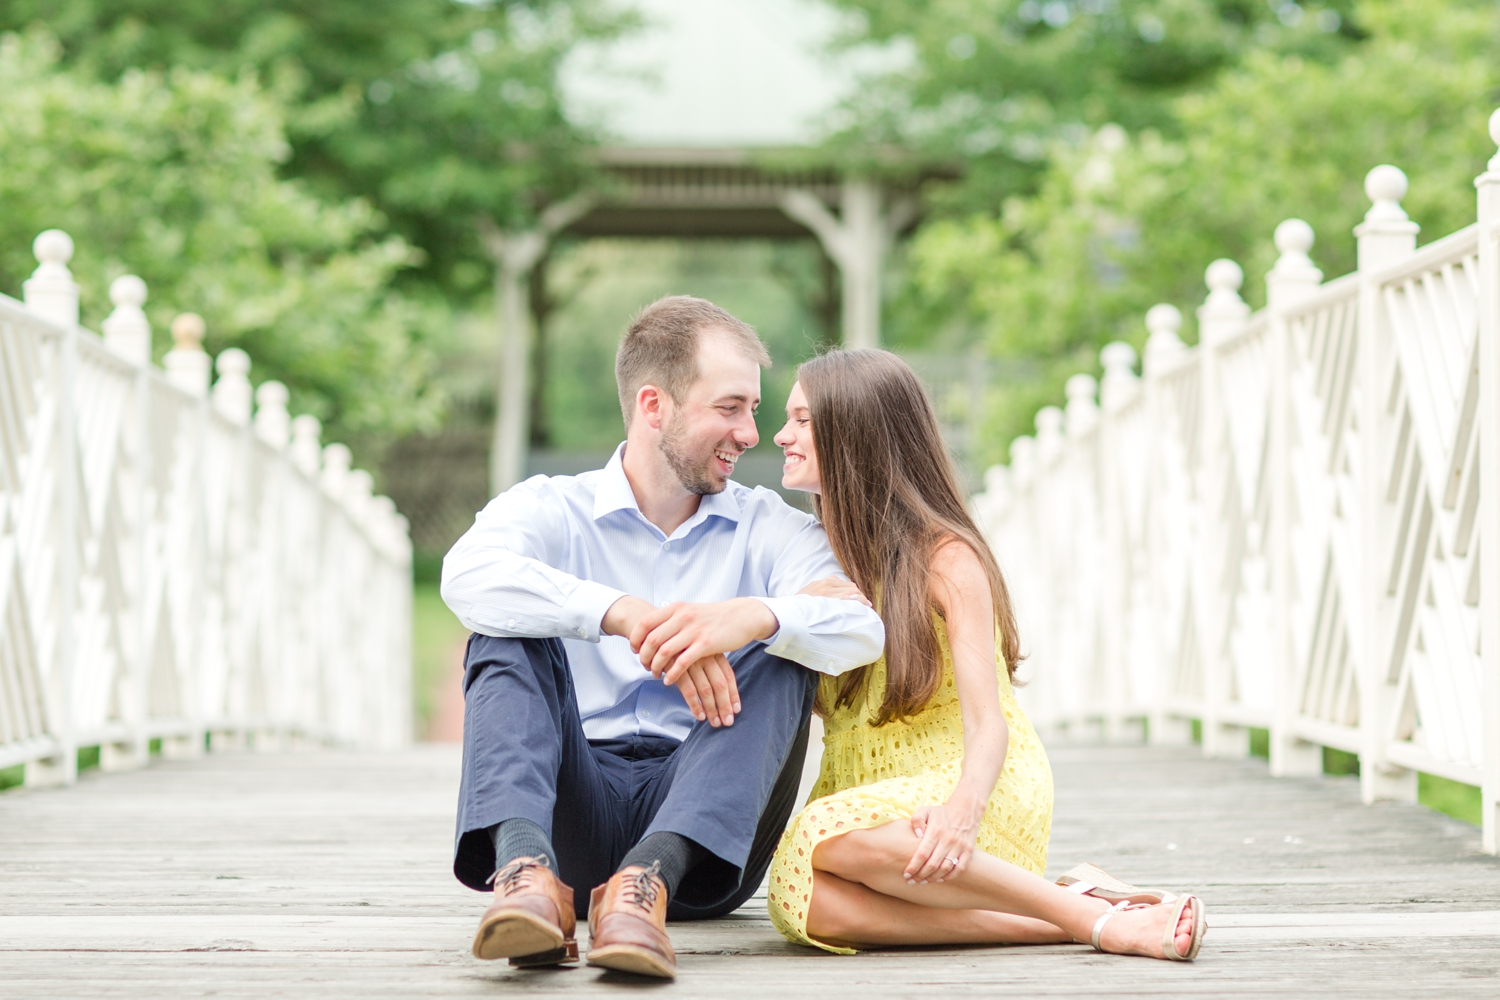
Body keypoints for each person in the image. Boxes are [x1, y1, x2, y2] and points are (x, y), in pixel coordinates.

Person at [440, 296, 885, 979]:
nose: (752, 433)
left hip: (703, 850)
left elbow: (860, 629)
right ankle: (525, 877)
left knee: (785, 642)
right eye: (731, 407)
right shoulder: (551, 508)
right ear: (655, 406)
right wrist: (620, 612)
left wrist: (750, 617)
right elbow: (465, 576)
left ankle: (643, 884)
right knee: (505, 630)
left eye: (754, 410)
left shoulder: (774, 528)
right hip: (572, 812)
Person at [765, 348, 1206, 961]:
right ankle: (1071, 913)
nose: (782, 435)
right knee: (794, 899)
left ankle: (1093, 921)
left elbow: (987, 720)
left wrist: (961, 811)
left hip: (973, 792)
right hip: (868, 815)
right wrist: (789, 619)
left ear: (855, 431)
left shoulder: (945, 558)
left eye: (803, 419)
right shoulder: (810, 564)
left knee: (814, 839)